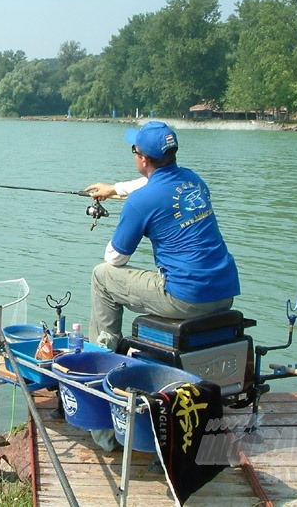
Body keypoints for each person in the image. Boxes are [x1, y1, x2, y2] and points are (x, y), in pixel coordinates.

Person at [85, 121, 240, 351]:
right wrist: (114, 189)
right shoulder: (194, 180)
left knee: (102, 276)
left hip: (186, 299)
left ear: (143, 159)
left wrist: (130, 218)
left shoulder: (140, 201)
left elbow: (115, 259)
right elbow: (157, 183)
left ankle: (101, 354)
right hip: (225, 292)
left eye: (135, 151)